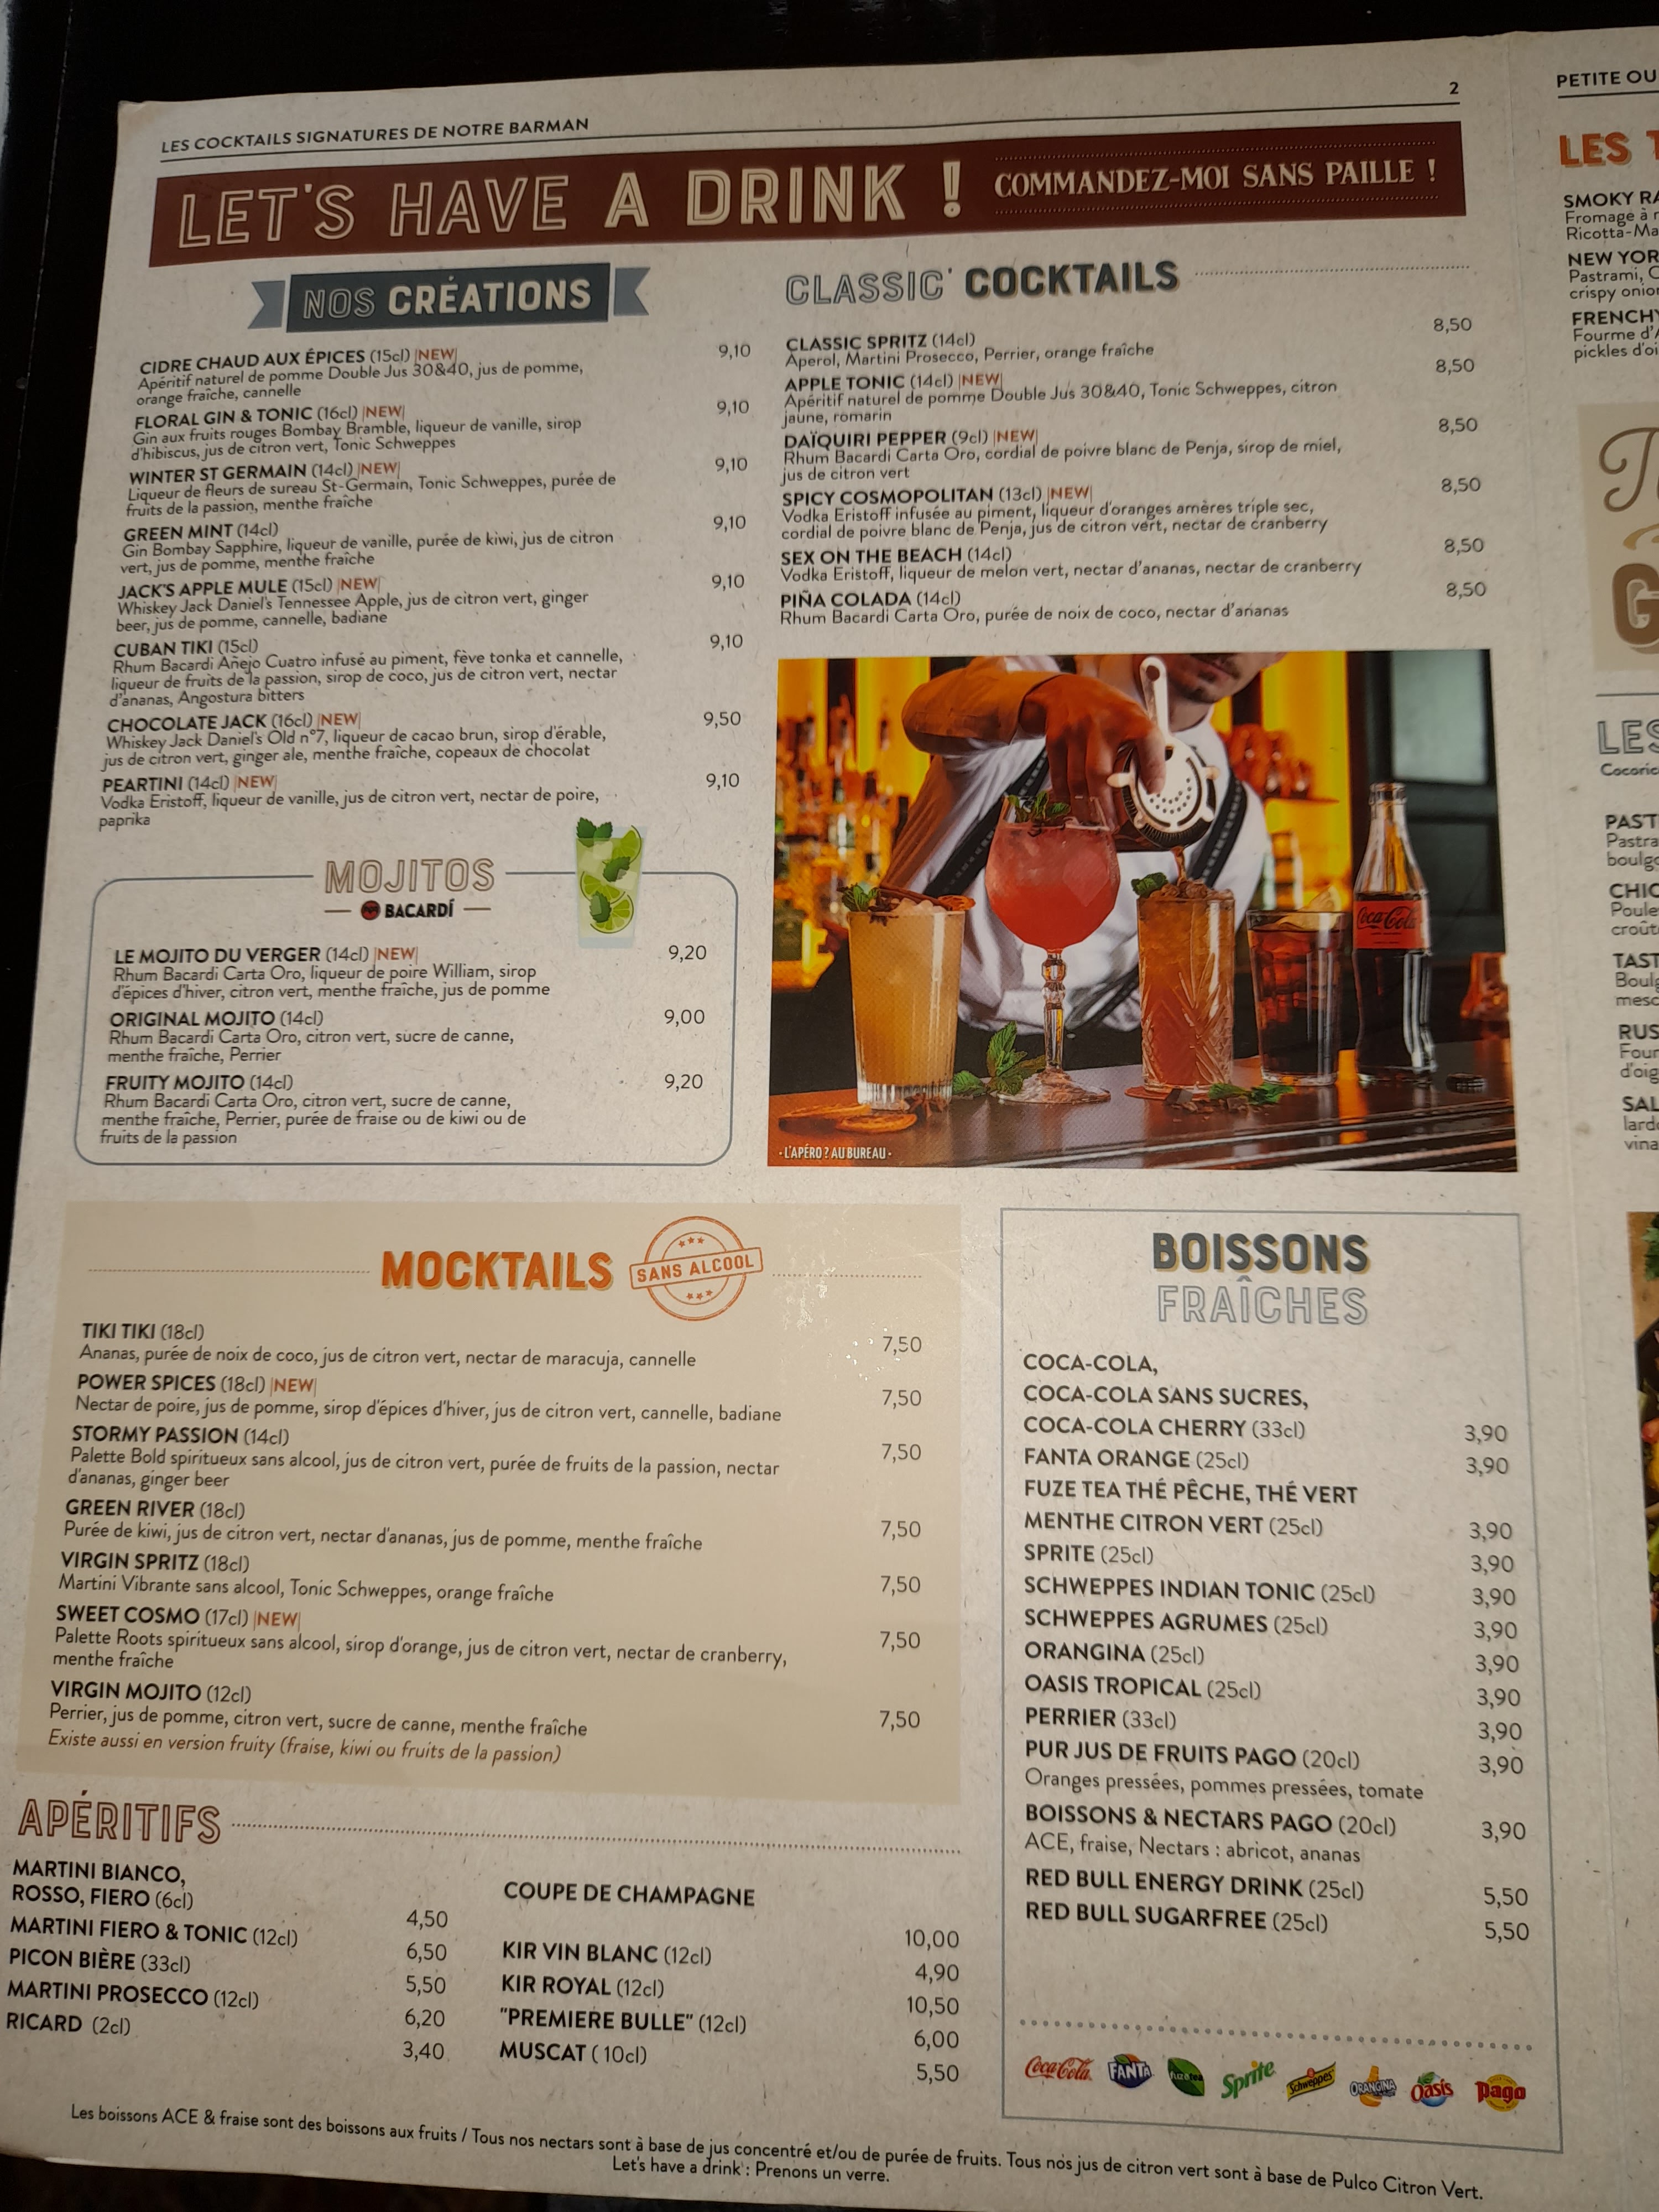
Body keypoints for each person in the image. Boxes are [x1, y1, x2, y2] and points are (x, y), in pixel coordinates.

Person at [886, 651, 1282, 1067]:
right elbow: (920, 713)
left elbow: (1157, 998)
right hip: (898, 1016)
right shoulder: (1035, 678)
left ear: (1279, 652)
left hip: (1071, 1063)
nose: (1230, 647)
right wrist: (1051, 696)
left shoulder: (1238, 820)